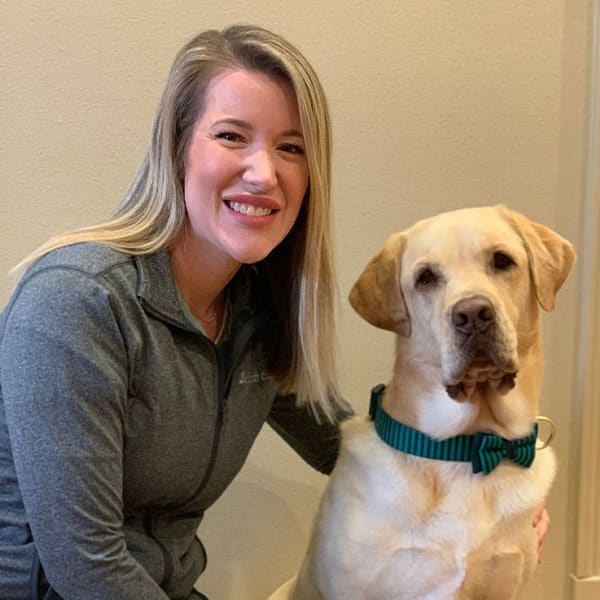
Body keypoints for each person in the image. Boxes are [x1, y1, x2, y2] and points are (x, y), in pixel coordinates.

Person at [0, 24, 352, 600]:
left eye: (291, 147)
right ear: (178, 148)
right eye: (232, 136)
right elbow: (85, 567)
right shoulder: (78, 299)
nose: (264, 173)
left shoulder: (254, 320)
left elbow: (351, 446)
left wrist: (501, 474)